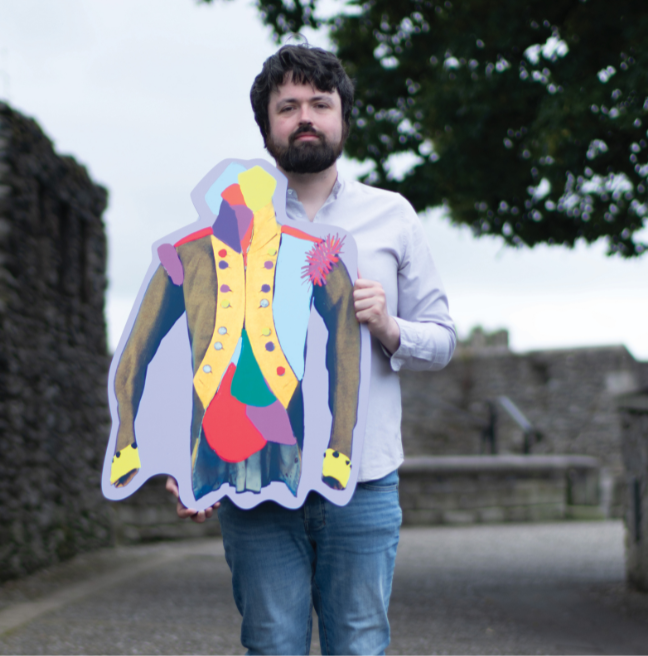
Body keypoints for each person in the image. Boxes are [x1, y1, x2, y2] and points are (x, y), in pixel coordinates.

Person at [167, 44, 456, 655]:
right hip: (254, 480)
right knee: (271, 644)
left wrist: (389, 326)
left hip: (363, 482)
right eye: (288, 106)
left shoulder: (393, 216)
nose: (305, 117)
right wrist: (185, 460)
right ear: (267, 126)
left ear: (342, 119)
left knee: (358, 645)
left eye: (320, 104)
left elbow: (443, 339)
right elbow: (196, 351)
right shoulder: (227, 220)